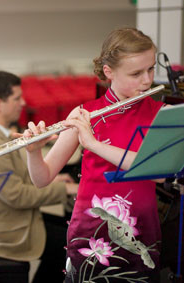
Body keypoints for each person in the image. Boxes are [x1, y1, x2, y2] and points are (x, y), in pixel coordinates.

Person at [24, 27, 166, 282]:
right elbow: (41, 178)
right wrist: (33, 153)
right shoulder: (84, 114)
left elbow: (158, 173)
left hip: (141, 233)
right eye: (136, 73)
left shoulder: (161, 113)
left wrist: (94, 144)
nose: (147, 80)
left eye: (151, 69)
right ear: (109, 72)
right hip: (91, 236)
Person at [0, 71, 78, 282]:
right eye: (17, 98)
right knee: (73, 243)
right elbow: (16, 196)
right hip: (5, 229)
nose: (23, 102)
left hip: (13, 216)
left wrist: (53, 179)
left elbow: (17, 177)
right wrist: (66, 189)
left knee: (71, 228)